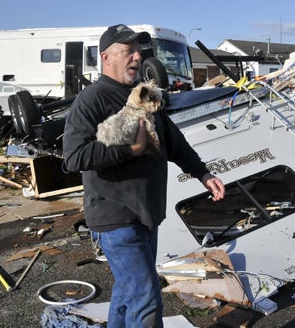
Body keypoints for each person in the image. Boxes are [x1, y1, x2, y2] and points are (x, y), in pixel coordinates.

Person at [62, 24, 225, 328]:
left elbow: (174, 143)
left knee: (128, 292)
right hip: (115, 218)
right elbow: (74, 157)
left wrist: (203, 174)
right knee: (146, 296)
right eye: (128, 51)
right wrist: (131, 150)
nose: (137, 57)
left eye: (139, 51)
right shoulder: (91, 100)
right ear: (106, 56)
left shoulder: (145, 95)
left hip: (146, 214)